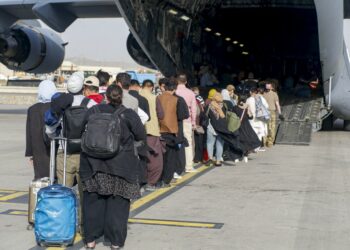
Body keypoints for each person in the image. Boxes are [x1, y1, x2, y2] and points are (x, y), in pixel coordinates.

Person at [80, 85, 146, 249]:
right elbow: (140, 135)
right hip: (121, 167)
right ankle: (115, 242)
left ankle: (90, 240)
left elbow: (81, 130)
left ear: (106, 97)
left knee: (93, 201)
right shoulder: (128, 114)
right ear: (121, 97)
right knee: (118, 204)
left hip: (93, 165)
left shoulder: (93, 111)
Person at [25, 80, 57, 179]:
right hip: (53, 147)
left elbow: (29, 133)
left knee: (40, 179)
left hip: (38, 149)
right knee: (55, 177)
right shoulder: (56, 108)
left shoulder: (32, 109)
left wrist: (30, 153)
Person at [139, 80, 165, 190]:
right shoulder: (154, 98)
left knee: (141, 157)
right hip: (152, 131)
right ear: (151, 87)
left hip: (138, 131)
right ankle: (151, 182)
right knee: (155, 159)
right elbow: (161, 114)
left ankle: (141, 182)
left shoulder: (137, 96)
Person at [158, 79, 183, 186]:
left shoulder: (157, 98)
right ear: (174, 88)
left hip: (159, 131)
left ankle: (158, 179)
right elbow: (183, 115)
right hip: (172, 132)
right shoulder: (177, 100)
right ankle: (166, 180)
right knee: (170, 158)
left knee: (160, 157)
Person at [175, 73, 197, 173]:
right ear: (186, 82)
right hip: (187, 120)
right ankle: (189, 166)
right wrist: (193, 122)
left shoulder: (174, 92)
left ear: (177, 81)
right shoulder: (191, 93)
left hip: (175, 120)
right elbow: (194, 109)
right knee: (188, 143)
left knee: (176, 142)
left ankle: (177, 166)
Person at [205, 93, 226, 166]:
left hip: (211, 127)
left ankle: (210, 158)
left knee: (210, 143)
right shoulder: (224, 106)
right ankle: (218, 161)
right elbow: (225, 117)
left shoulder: (209, 106)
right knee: (220, 144)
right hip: (221, 128)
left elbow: (206, 115)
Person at [263, 82, 282, 147]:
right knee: (272, 127)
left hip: (265, 112)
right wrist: (280, 113)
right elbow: (277, 104)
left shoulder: (263, 94)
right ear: (272, 87)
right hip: (272, 112)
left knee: (266, 126)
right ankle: (270, 142)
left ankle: (265, 141)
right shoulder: (274, 94)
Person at [192, 87, 205, 163]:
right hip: (199, 124)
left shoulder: (195, 101)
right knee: (199, 141)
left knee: (194, 142)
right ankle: (199, 157)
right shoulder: (200, 100)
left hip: (195, 123)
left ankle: (196, 157)